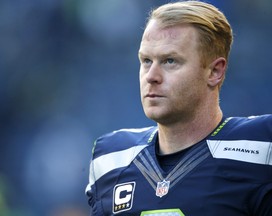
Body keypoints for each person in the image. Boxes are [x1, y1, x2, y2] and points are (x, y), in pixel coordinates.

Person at [85, 1, 272, 215]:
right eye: (146, 61)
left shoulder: (261, 146)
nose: (151, 77)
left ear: (214, 72)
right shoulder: (111, 158)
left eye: (170, 61)